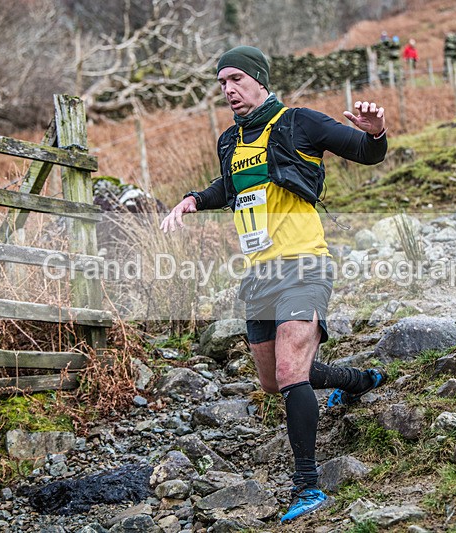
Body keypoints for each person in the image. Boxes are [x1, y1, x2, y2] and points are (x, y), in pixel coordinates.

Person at [160, 45, 387, 523]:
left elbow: (366, 152)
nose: (228, 90)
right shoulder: (229, 141)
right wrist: (193, 200)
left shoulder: (298, 122)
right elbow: (232, 187)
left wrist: (376, 133)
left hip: (305, 263)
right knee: (272, 380)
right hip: (259, 274)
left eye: (236, 79)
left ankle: (308, 486)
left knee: (289, 372)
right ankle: (355, 380)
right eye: (221, 84)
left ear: (259, 78)